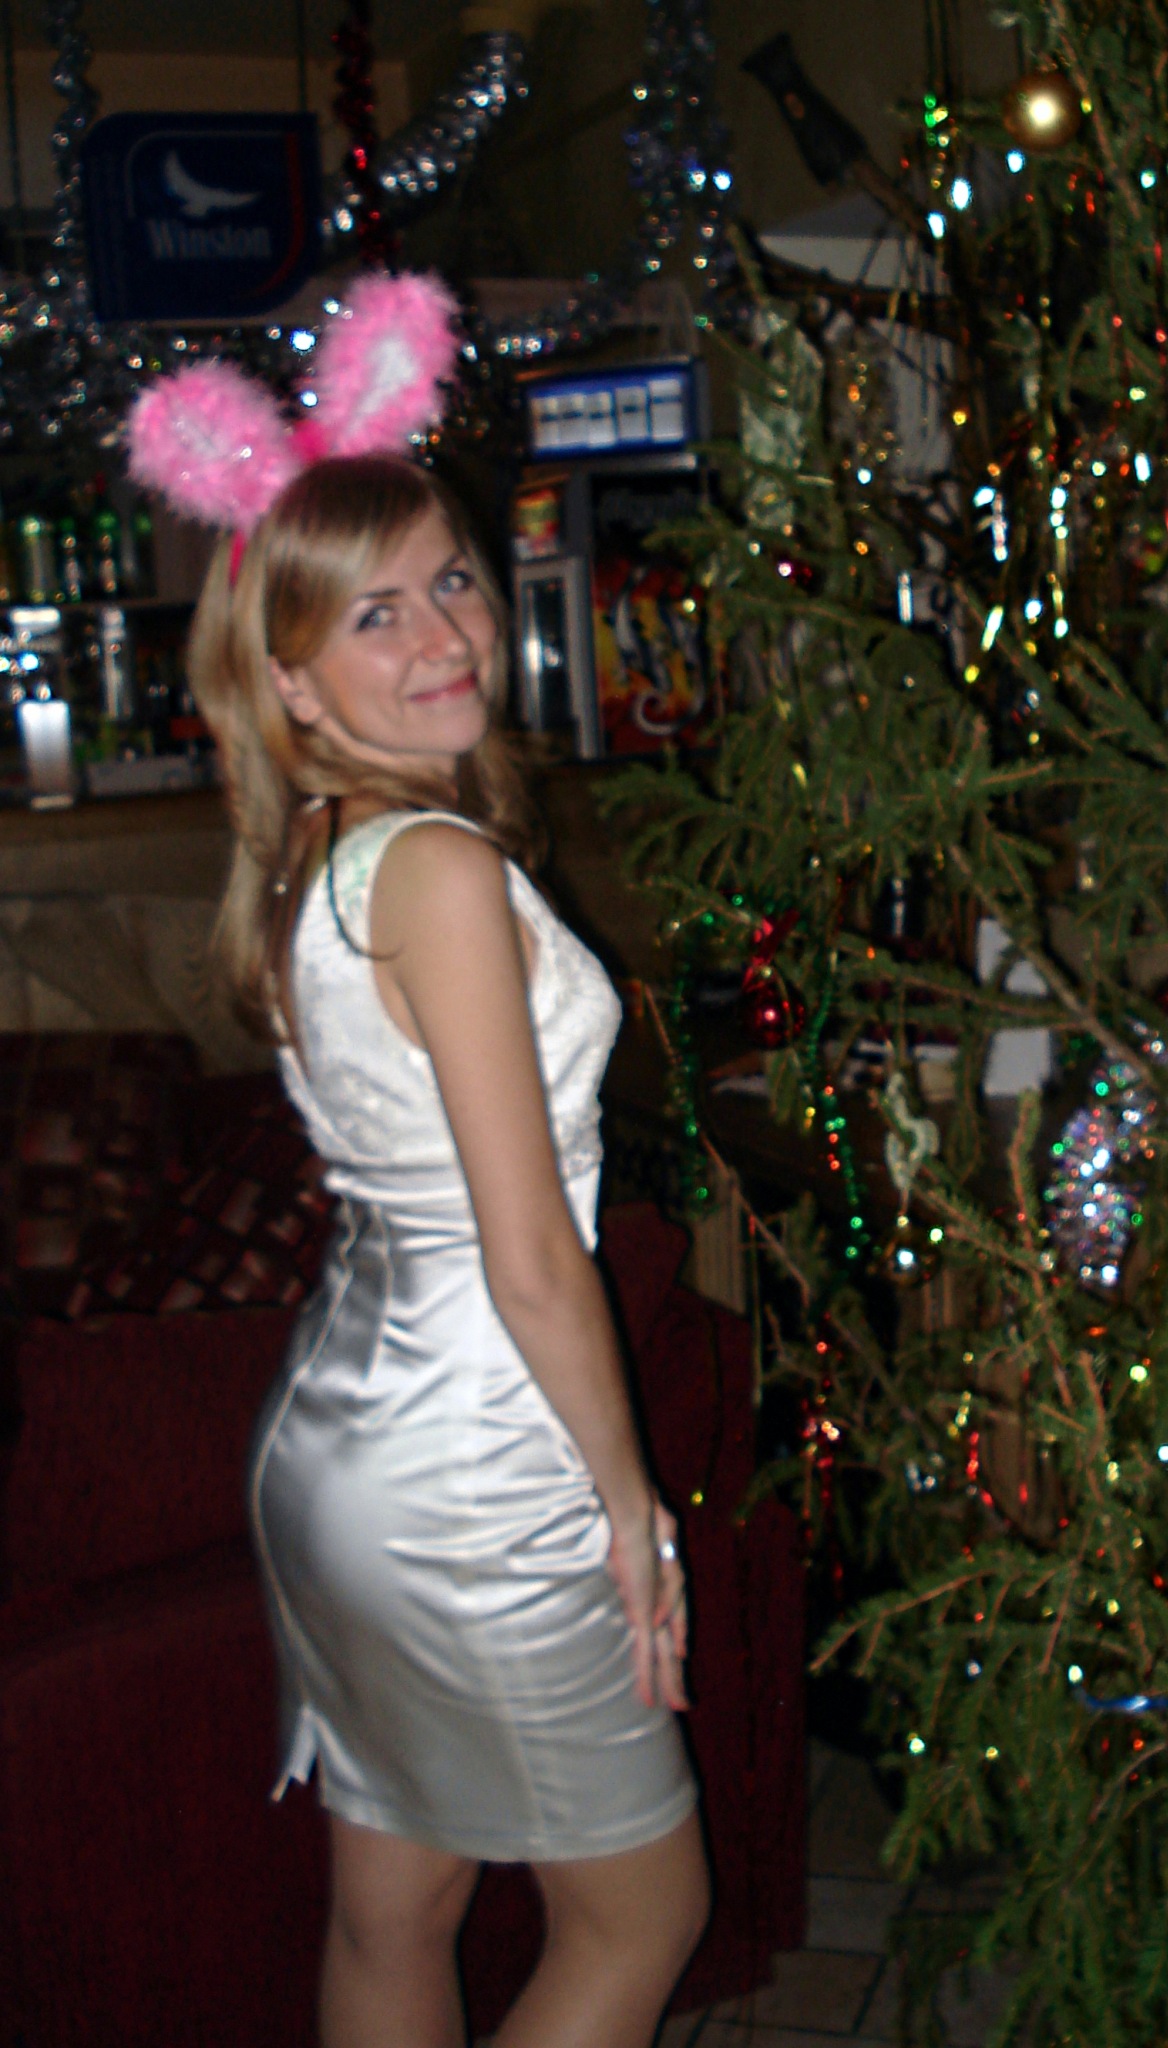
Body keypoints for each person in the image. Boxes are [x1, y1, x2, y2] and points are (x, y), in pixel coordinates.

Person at [131, 278, 708, 2048]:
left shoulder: (320, 853)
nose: (445, 633)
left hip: (345, 1440)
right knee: (641, 1915)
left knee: (397, 1908)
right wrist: (627, 1507)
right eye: (374, 614)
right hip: (477, 1464)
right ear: (289, 675)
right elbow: (531, 1257)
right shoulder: (437, 873)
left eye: (452, 579)